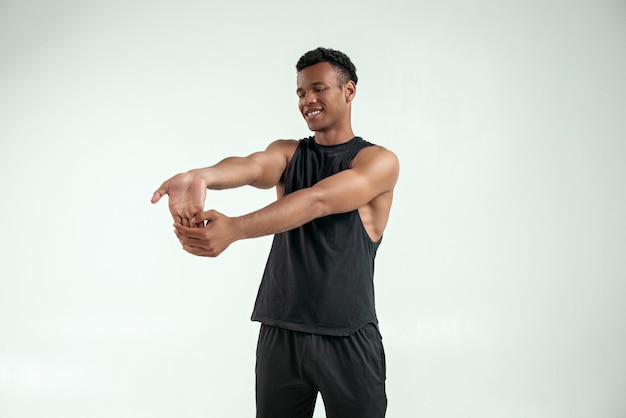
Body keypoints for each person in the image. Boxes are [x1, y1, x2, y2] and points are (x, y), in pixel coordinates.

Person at [151, 47, 399, 418]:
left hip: (347, 334)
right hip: (280, 330)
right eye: (300, 93)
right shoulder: (288, 153)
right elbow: (251, 166)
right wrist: (201, 176)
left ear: (349, 91)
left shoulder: (377, 161)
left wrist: (234, 229)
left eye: (318, 89)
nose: (307, 100)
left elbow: (318, 201)